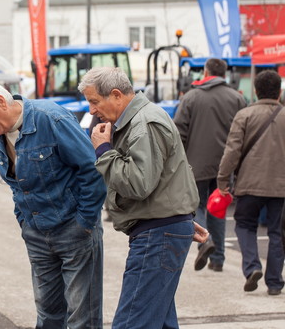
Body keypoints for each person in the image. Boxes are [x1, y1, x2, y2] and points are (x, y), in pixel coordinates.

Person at [0, 78, 107, 329]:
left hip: (74, 230)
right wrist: (24, 221)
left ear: (1, 102)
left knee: (82, 316)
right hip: (38, 234)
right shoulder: (1, 133)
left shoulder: (50, 119)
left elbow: (92, 170)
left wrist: (84, 222)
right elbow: (17, 183)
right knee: (48, 313)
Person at [79, 67, 206, 329]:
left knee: (132, 322)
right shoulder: (141, 119)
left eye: (94, 101)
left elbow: (137, 183)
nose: (92, 110)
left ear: (115, 95)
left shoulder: (143, 123)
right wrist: (177, 218)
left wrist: (103, 150)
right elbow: (166, 177)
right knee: (159, 321)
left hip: (157, 232)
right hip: (162, 228)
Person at [174, 58, 247, 272]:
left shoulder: (190, 97)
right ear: (224, 74)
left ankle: (205, 241)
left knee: (195, 205)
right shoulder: (237, 99)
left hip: (195, 164)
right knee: (218, 207)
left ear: (206, 72)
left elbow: (179, 133)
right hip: (226, 164)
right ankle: (218, 259)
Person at [217, 70, 285, 295]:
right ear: (279, 91)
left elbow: (232, 151)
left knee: (244, 225)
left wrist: (223, 179)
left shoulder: (244, 115)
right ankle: (274, 282)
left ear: (255, 90)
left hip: (249, 183)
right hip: (281, 187)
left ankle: (252, 266)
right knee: (277, 232)